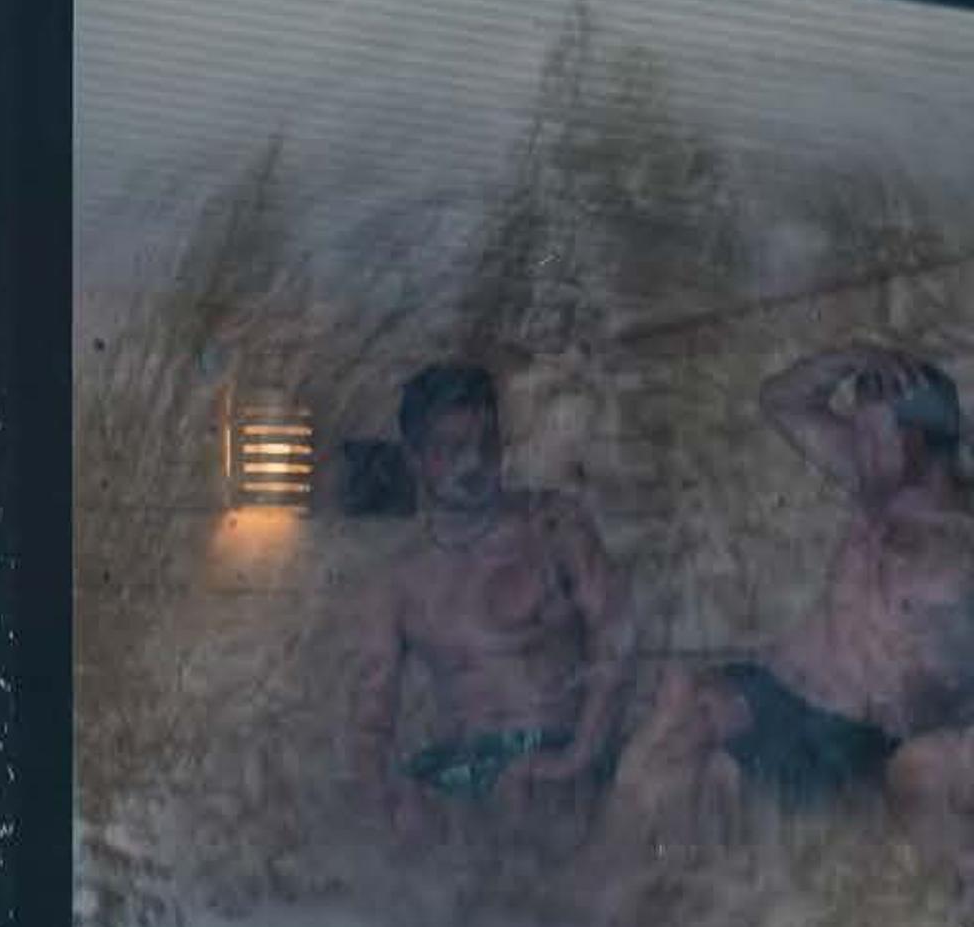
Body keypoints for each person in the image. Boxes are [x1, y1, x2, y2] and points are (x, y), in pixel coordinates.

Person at [625, 345, 974, 837]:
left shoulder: (960, 540)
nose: (856, 446)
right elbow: (780, 400)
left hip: (854, 736)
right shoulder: (874, 482)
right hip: (780, 693)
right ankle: (600, 883)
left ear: (915, 441)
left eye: (871, 435)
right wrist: (855, 358)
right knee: (679, 700)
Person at [349, 364, 638, 836]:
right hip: (460, 766)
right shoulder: (398, 579)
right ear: (417, 457)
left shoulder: (554, 526)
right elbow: (372, 712)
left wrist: (579, 755)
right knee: (413, 820)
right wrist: (379, 795)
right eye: (451, 448)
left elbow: (616, 639)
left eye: (486, 443)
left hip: (554, 753)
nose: (473, 463)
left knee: (518, 797)